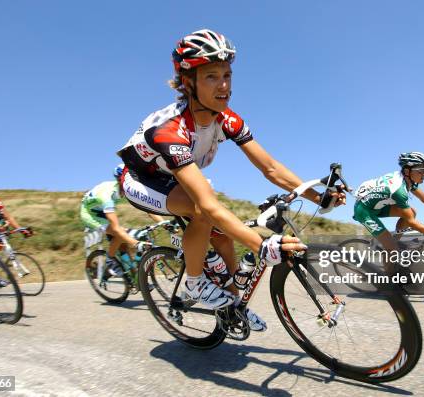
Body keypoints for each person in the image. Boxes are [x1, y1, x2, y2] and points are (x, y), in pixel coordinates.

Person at [117, 29, 345, 331]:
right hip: (140, 180)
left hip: (175, 179)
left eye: (227, 74)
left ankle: (232, 305)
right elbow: (207, 205)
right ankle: (196, 283)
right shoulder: (170, 129)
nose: (224, 85)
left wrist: (319, 197)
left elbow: (271, 168)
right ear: (188, 83)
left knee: (225, 238)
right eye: (212, 76)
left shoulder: (227, 119)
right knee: (203, 211)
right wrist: (261, 244)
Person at [353, 151, 424, 273]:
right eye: (420, 171)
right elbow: (413, 223)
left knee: (412, 211)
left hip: (377, 205)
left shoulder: (407, 180)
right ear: (407, 171)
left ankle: (393, 241)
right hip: (364, 211)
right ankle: (387, 282)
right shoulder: (399, 190)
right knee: (392, 248)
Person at [80, 165, 163, 276]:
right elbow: (115, 228)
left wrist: (163, 222)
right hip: (90, 215)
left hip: (101, 210)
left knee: (124, 245)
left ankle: (135, 280)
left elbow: (148, 209)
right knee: (119, 233)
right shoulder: (106, 195)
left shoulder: (127, 189)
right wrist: (137, 243)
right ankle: (110, 261)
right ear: (120, 180)